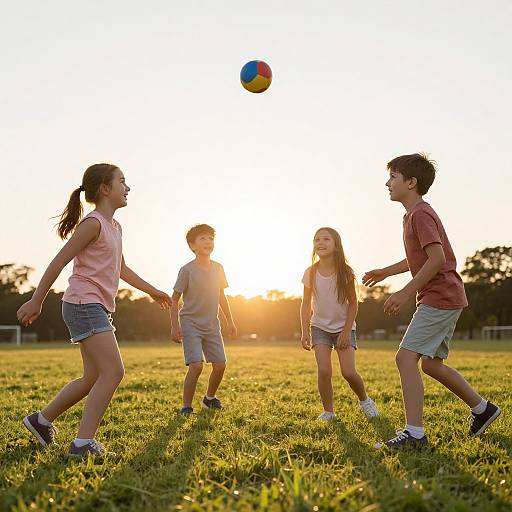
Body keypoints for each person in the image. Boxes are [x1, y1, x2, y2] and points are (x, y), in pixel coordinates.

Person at [17, 163, 172, 457]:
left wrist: (152, 291)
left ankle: (41, 420)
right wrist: (37, 299)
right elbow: (59, 260)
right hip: (83, 304)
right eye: (122, 182)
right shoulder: (93, 223)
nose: (128, 188)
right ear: (104, 189)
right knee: (113, 371)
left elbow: (122, 269)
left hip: (93, 305)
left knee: (92, 377)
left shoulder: (115, 227)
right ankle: (83, 443)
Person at [363, 153, 501, 449]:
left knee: (405, 358)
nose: (387, 183)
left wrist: (404, 292)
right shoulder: (412, 215)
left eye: (393, 177)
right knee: (431, 365)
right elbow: (420, 256)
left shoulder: (421, 214)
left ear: (411, 183)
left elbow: (437, 258)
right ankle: (483, 409)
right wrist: (385, 272)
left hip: (440, 297)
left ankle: (415, 434)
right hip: (446, 296)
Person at [301, 227, 378, 421]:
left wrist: (345, 332)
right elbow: (305, 304)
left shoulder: (345, 272)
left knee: (349, 372)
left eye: (326, 239)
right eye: (317, 239)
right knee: (324, 370)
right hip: (319, 327)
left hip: (344, 327)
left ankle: (365, 401)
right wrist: (304, 331)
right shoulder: (310, 272)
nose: (320, 242)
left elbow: (353, 304)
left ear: (336, 246)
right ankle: (329, 411)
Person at [170, 224, 236, 415]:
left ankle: (209, 398)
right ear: (192, 245)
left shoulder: (218, 268)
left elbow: (222, 297)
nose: (208, 242)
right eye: (202, 239)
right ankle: (186, 407)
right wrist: (175, 326)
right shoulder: (187, 270)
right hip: (190, 323)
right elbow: (174, 300)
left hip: (212, 324)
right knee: (196, 365)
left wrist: (230, 321)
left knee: (220, 365)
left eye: (210, 238)